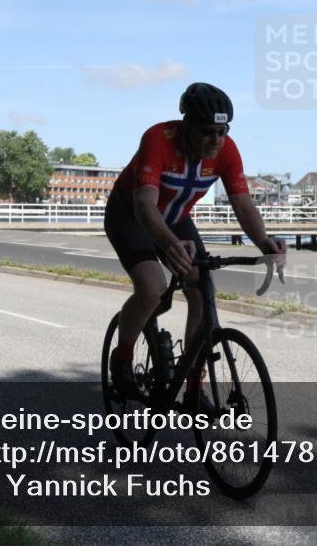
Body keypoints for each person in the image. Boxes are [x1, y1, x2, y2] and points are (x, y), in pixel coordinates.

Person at [105, 82, 286, 407]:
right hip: (130, 213)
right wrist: (171, 244)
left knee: (203, 290)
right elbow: (145, 206)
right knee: (152, 288)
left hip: (174, 217)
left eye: (222, 131)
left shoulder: (227, 150)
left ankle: (192, 385)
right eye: (207, 131)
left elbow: (243, 206)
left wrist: (265, 243)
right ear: (187, 125)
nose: (216, 140)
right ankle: (122, 359)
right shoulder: (158, 139)